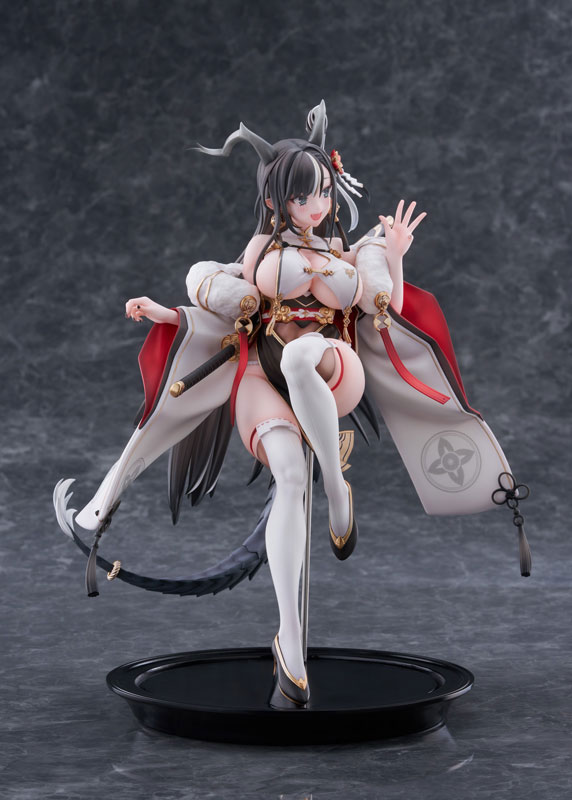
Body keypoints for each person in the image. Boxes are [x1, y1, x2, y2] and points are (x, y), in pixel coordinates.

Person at [54, 101, 527, 709]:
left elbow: (384, 305)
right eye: (305, 197)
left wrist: (395, 252)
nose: (318, 205)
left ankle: (337, 488)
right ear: (279, 200)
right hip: (261, 379)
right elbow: (216, 305)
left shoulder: (347, 251)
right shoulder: (254, 256)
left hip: (331, 366)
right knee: (288, 477)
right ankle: (291, 646)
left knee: (304, 356)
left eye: (324, 192)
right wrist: (166, 314)